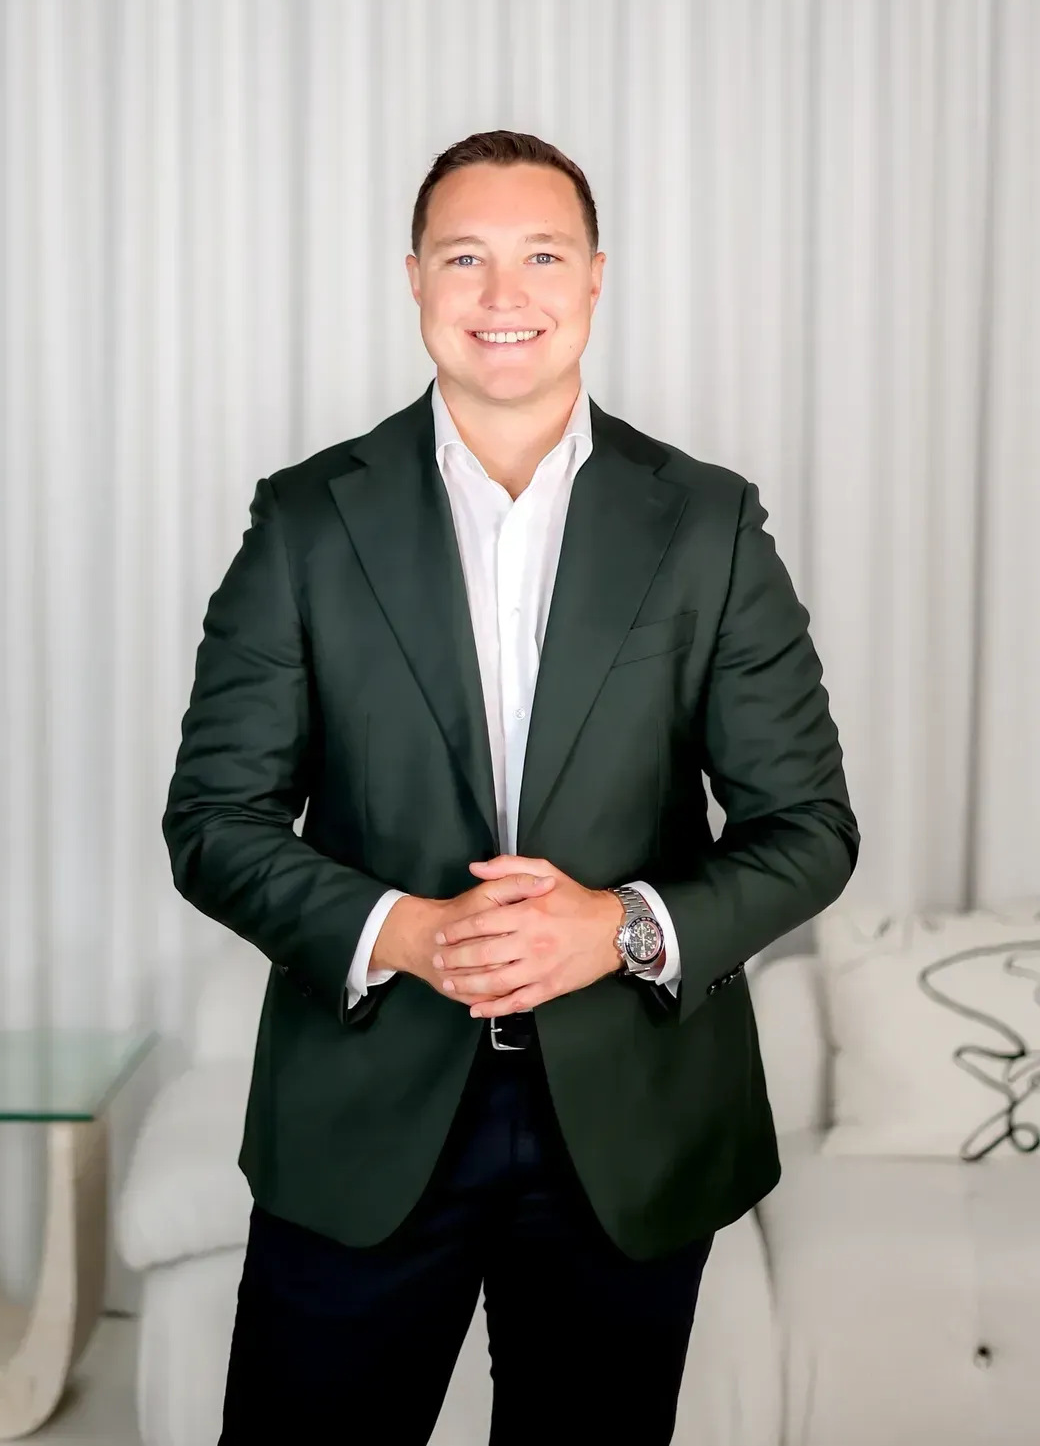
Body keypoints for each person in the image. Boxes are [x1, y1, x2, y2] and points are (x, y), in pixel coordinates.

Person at [163, 129, 859, 1445]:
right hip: (362, 1114)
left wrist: (621, 926)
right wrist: (406, 933)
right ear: (414, 280)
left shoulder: (706, 525)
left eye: (540, 255)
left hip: (631, 1121)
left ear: (595, 279)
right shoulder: (306, 523)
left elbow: (809, 827)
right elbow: (212, 818)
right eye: (465, 258)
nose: (504, 294)